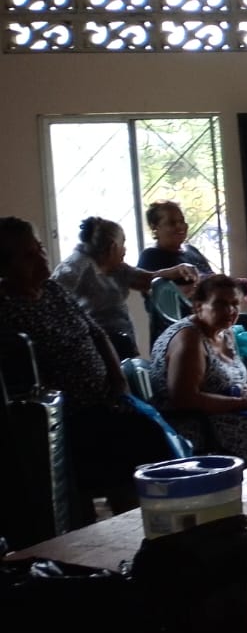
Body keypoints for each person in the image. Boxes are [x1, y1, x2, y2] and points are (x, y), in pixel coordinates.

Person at [0, 217, 176, 525]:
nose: (41, 258)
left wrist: (118, 381)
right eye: (28, 255)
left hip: (105, 398)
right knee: (119, 452)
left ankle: (146, 524)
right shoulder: (6, 308)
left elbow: (97, 333)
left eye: (40, 248)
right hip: (68, 415)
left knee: (151, 437)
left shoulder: (53, 290)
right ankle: (120, 527)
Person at [150, 274, 247, 466]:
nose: (230, 310)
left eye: (235, 304)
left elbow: (229, 379)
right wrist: (240, 403)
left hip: (222, 413)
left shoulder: (225, 332)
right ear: (198, 306)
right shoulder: (189, 338)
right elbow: (184, 399)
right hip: (193, 424)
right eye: (220, 304)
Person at [51, 216, 199, 358]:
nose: (125, 250)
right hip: (93, 347)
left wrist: (177, 270)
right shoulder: (75, 266)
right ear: (113, 247)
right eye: (123, 244)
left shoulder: (117, 267)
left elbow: (146, 279)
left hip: (121, 343)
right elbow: (52, 298)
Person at [137, 200, 221, 344]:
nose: (180, 226)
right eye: (171, 223)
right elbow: (156, 295)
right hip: (177, 336)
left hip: (208, 328)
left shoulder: (191, 251)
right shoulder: (150, 256)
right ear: (154, 227)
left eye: (182, 221)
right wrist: (197, 288)